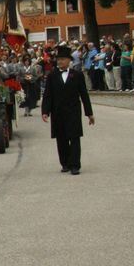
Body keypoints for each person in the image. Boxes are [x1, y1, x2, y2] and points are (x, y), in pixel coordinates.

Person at [42, 45, 94, 174]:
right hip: (58, 112)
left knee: (75, 138)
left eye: (63, 59)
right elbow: (48, 95)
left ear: (69, 60)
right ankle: (65, 163)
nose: (60, 61)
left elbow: (84, 95)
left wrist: (89, 113)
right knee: (61, 139)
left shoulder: (77, 75)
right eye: (58, 59)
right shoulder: (52, 76)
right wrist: (45, 111)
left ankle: (75, 165)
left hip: (73, 111)